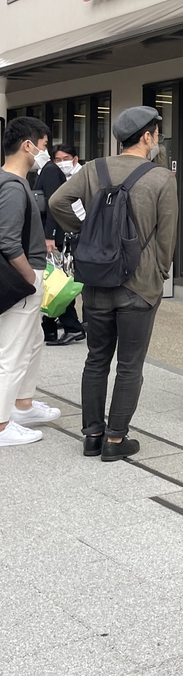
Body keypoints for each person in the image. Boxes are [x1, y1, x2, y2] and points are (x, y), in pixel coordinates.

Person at [49, 106, 177, 461]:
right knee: (130, 364)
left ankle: (92, 435)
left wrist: (86, 231)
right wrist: (158, 273)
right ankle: (116, 439)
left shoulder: (94, 168)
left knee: (96, 359)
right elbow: (166, 238)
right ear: (147, 137)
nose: (157, 140)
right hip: (139, 285)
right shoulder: (161, 178)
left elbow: (58, 201)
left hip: (96, 281)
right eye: (156, 134)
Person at [0, 117, 62, 447]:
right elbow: (9, 242)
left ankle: (22, 405)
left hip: (24, 274)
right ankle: (2, 424)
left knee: (33, 341)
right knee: (12, 351)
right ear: (28, 145)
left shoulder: (12, 181)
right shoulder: (13, 186)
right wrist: (29, 277)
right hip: (22, 276)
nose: (45, 152)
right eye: (43, 145)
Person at [38, 143, 86, 346]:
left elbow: (53, 205)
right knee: (55, 279)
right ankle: (54, 324)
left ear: (75, 159)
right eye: (57, 159)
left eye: (65, 159)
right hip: (63, 234)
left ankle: (72, 326)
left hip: (69, 234)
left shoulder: (78, 176)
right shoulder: (52, 172)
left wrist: (50, 236)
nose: (61, 163)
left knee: (58, 280)